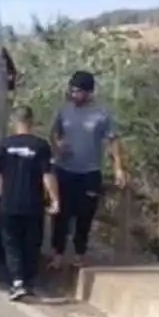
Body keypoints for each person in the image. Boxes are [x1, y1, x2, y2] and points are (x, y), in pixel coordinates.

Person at [49, 71, 126, 269]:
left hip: (90, 172)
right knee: (61, 215)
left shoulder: (102, 115)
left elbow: (112, 141)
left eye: (79, 91)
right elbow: (54, 134)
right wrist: (58, 146)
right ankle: (57, 254)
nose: (75, 94)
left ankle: (79, 253)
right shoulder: (63, 111)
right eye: (72, 90)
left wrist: (118, 168)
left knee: (85, 214)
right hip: (65, 170)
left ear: (90, 92)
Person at [0, 106, 59, 301]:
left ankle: (17, 282)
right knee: (31, 244)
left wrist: (4, 196)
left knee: (11, 244)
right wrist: (55, 199)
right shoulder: (41, 146)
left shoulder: (4, 145)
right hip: (33, 204)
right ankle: (28, 282)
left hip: (10, 204)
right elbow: (47, 175)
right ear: (32, 122)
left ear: (14, 122)